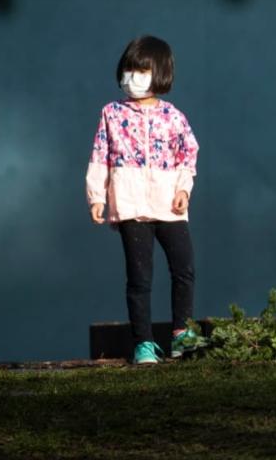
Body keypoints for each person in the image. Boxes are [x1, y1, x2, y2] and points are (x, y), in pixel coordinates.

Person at [86, 36, 204, 364]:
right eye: (128, 69)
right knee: (139, 277)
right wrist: (97, 196)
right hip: (130, 203)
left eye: (140, 69)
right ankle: (144, 344)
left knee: (184, 268)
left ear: (160, 73)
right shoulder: (111, 113)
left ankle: (184, 336)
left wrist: (183, 191)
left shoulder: (173, 116)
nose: (131, 76)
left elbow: (187, 155)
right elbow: (100, 156)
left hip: (168, 204)